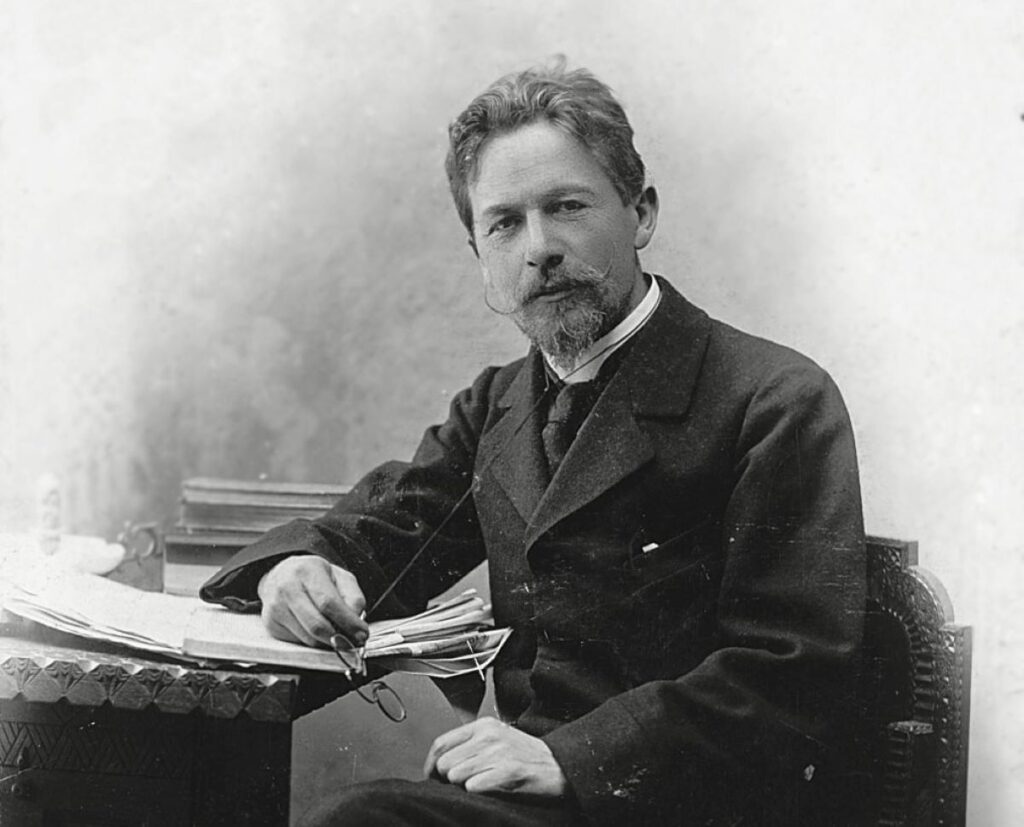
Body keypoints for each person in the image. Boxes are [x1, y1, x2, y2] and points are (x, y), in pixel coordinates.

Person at [202, 60, 868, 826]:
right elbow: (379, 539)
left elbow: (793, 676)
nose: (540, 247)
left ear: (641, 213)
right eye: (505, 223)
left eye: (567, 206)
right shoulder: (498, 406)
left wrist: (573, 758)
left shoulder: (773, 400)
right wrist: (297, 568)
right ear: (480, 255)